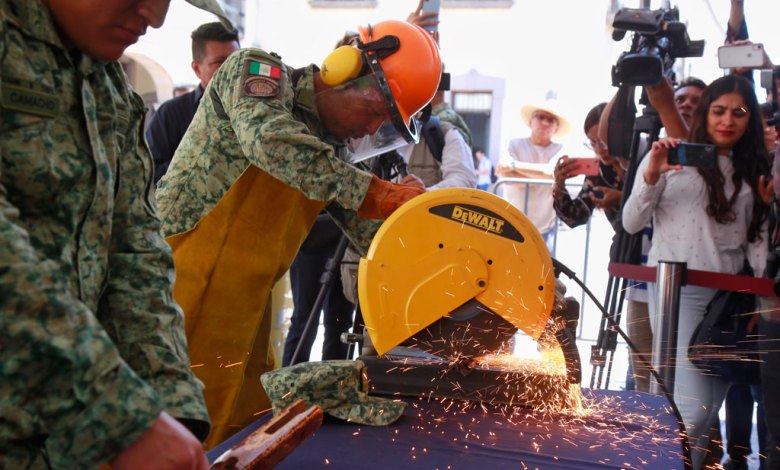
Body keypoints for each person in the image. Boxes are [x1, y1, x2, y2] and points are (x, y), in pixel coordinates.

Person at [156, 20, 441, 448]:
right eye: (374, 113)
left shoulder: (331, 154)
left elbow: (376, 233)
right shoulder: (255, 73)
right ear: (345, 71)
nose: (369, 131)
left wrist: (431, 239)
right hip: (179, 284)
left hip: (247, 303)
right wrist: (380, 193)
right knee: (178, 430)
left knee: (241, 428)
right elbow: (272, 143)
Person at [0, 0, 233, 468]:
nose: (155, 15)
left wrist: (172, 407)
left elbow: (135, 251)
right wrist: (119, 415)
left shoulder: (104, 80)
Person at [622, 74, 771, 470]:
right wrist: (653, 169)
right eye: (719, 110)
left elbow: (755, 243)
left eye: (738, 112)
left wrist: (761, 300)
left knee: (702, 414)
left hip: (730, 300)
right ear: (706, 114)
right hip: (678, 294)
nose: (727, 120)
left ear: (749, 119)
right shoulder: (671, 157)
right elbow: (632, 222)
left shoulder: (753, 167)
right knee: (693, 412)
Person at [145, 21, 239, 183]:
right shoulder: (171, 114)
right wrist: (200, 160)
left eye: (237, 61)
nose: (232, 70)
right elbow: (148, 172)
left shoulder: (258, 111)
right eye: (220, 62)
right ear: (197, 69)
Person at [282, 213, 355, 367]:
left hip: (345, 241)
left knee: (339, 323)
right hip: (310, 238)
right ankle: (289, 386)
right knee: (304, 321)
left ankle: (334, 385)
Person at [496, 99, 570, 247]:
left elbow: (553, 172)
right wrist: (543, 175)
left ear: (556, 128)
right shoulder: (514, 144)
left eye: (550, 119)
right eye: (540, 117)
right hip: (512, 225)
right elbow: (506, 175)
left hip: (545, 229)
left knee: (544, 270)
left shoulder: (561, 149)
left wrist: (514, 167)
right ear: (531, 122)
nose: (545, 122)